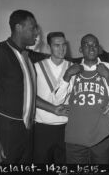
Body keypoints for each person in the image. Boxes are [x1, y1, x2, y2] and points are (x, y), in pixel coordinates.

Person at [0, 10, 67, 164]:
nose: (37, 32)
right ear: (18, 28)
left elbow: (28, 95)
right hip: (6, 132)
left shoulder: (28, 56)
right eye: (33, 28)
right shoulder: (0, 53)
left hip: (28, 132)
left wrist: (53, 109)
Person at [57, 33, 109, 164]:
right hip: (75, 137)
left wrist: (108, 77)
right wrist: (67, 75)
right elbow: (58, 100)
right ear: (81, 49)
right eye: (86, 45)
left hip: (101, 136)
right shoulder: (71, 69)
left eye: (94, 45)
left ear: (99, 49)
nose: (91, 48)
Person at [33, 32, 72, 163]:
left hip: (66, 126)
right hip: (42, 127)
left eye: (64, 45)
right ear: (49, 47)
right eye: (57, 45)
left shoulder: (73, 68)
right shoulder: (36, 67)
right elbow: (31, 96)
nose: (61, 49)